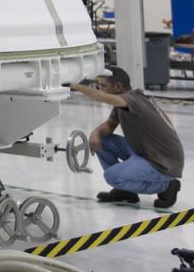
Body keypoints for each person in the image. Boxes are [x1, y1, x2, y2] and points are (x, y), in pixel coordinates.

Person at [68, 67, 184, 208]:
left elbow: (103, 98)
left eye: (103, 86)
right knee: (103, 141)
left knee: (111, 177)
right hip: (147, 152)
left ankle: (166, 186)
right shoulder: (128, 101)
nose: (100, 88)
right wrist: (96, 133)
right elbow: (110, 124)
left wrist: (74, 86)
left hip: (163, 162)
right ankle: (125, 191)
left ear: (118, 87)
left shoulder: (132, 100)